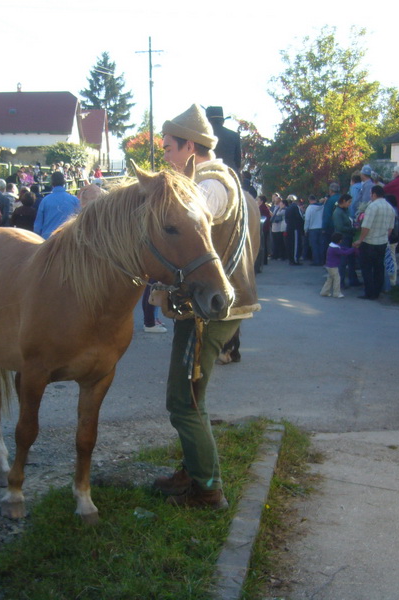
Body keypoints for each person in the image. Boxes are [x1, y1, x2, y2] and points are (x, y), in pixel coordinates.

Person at [153, 103, 260, 509]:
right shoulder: (226, 180)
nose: (165, 156)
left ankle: (207, 489)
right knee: (191, 397)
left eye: (168, 149)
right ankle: (193, 469)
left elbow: (181, 224)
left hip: (209, 311)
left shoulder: (210, 186)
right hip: (218, 307)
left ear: (190, 148)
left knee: (185, 402)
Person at [353, 185, 395, 300]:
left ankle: (369, 292)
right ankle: (377, 292)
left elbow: (366, 226)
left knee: (366, 268)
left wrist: (360, 240)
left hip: (369, 242)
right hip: (382, 242)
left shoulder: (372, 206)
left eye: (371, 194)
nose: (370, 196)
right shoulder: (389, 207)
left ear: (374, 194)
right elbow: (390, 228)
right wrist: (384, 237)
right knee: (379, 268)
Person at [33, 171, 80, 239]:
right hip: (68, 238)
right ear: (64, 182)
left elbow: (38, 226)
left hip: (48, 239)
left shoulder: (45, 201)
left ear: (52, 183)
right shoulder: (74, 200)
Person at [332, 194, 360, 288]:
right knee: (342, 261)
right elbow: (340, 227)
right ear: (343, 201)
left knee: (351, 260)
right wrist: (353, 229)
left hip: (348, 237)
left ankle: (353, 280)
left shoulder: (346, 211)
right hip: (342, 238)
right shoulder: (337, 212)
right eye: (349, 202)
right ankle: (340, 282)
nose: (350, 204)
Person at [205, 106, 241, 172]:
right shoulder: (235, 136)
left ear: (207, 121)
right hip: (230, 175)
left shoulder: (204, 135)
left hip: (208, 175)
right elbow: (238, 163)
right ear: (222, 121)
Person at [321, 233, 356, 298]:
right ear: (339, 240)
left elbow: (343, 248)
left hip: (329, 266)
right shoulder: (335, 248)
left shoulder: (332, 246)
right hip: (333, 267)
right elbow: (344, 253)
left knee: (330, 279)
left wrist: (351, 248)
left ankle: (324, 292)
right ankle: (336, 293)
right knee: (337, 279)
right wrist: (353, 248)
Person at [304, 195, 325, 265]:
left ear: (310, 200)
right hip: (321, 227)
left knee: (314, 245)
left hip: (312, 229)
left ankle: (316, 261)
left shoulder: (309, 208)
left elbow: (307, 219)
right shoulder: (322, 207)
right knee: (321, 245)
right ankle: (322, 260)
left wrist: (305, 229)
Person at [284, 194, 304, 265]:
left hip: (289, 227)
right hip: (295, 228)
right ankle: (295, 260)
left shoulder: (288, 208)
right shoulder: (295, 207)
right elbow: (300, 218)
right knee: (295, 245)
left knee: (290, 244)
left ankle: (291, 259)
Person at [269, 193, 286, 260]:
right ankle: (275, 255)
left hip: (279, 227)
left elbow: (278, 217)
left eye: (276, 200)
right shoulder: (273, 207)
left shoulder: (281, 208)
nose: (274, 201)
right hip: (273, 227)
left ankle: (281, 255)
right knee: (274, 242)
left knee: (280, 242)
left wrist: (272, 215)